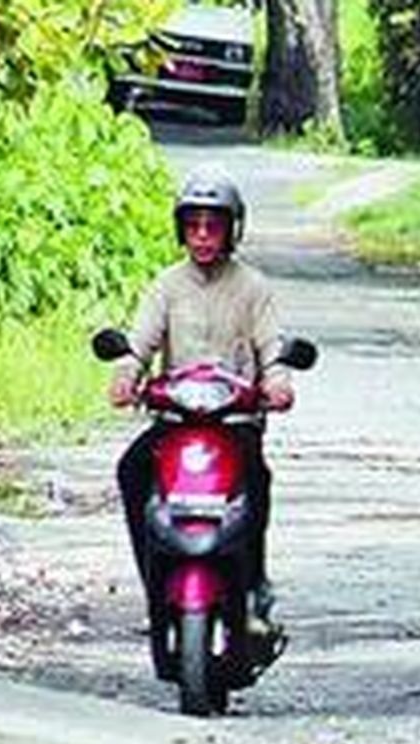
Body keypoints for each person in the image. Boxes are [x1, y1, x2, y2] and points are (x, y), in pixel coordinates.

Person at [111, 168, 293, 635]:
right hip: (176, 420)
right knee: (132, 470)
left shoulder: (253, 287)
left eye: (214, 225)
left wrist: (277, 382)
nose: (203, 235)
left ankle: (253, 589)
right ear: (181, 230)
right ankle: (154, 586)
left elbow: (272, 347)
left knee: (256, 481)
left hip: (235, 422)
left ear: (233, 230)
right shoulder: (166, 285)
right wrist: (127, 374)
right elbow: (140, 341)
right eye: (193, 225)